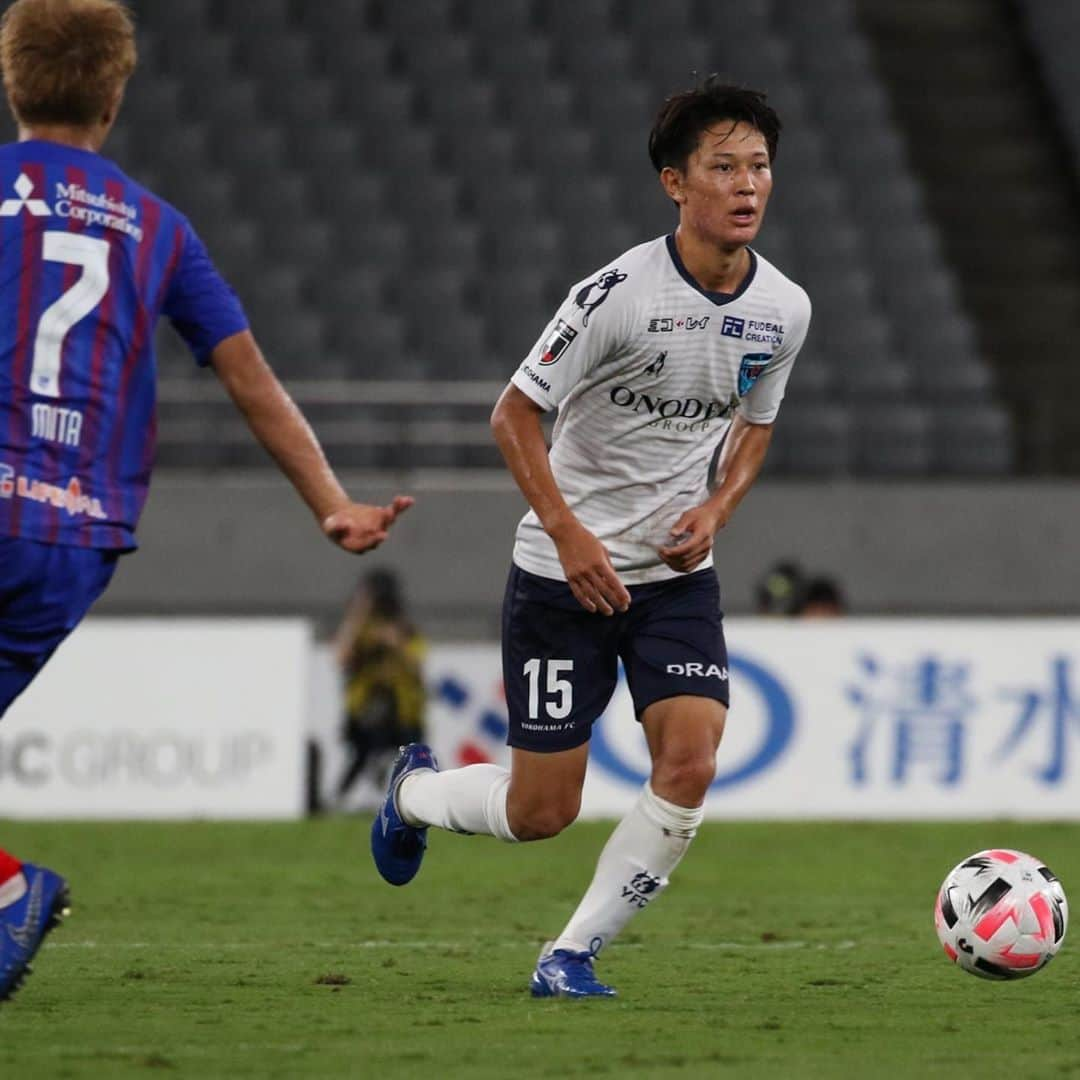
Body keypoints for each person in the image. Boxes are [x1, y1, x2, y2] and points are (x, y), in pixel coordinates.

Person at [0, 0, 412, 1002]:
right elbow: (249, 378)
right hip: (75, 535)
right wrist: (332, 503)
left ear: (11, 77)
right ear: (118, 89)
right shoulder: (155, 226)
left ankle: (12, 892)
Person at [371, 77, 811, 997]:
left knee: (690, 761)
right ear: (674, 183)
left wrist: (718, 510)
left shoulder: (786, 309)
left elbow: (757, 424)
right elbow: (512, 416)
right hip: (561, 580)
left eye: (759, 166)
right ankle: (412, 793)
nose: (747, 185)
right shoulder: (614, 294)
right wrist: (568, 534)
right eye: (723, 166)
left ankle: (569, 956)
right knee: (541, 814)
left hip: (677, 581)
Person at [333, 570, 425, 809]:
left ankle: (418, 801)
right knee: (362, 754)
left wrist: (395, 641)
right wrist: (358, 614)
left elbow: (417, 661)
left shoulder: (405, 630)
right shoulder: (360, 630)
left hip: (402, 707)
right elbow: (342, 658)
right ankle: (339, 800)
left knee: (413, 755)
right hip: (368, 707)